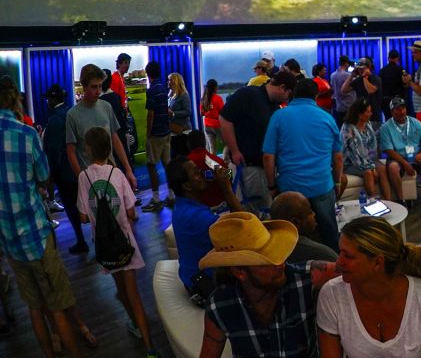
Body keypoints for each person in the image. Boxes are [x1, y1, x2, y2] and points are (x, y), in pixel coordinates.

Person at [197, 212, 421, 358]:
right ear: (239, 272)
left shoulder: (303, 278)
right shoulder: (221, 306)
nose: (280, 263)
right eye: (267, 261)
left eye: (278, 254)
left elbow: (382, 259)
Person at [0, 77, 83, 358]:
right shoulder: (25, 134)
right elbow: (44, 176)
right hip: (35, 233)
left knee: (34, 307)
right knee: (57, 305)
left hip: (9, 241)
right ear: (15, 99)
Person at [317, 216, 421, 358]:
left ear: (378, 262)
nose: (339, 261)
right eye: (340, 252)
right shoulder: (332, 295)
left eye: (348, 256)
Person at [76, 127, 157, 356]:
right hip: (125, 243)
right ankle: (150, 348)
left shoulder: (83, 177)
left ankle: (134, 325)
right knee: (133, 294)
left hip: (104, 245)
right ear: (109, 148)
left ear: (88, 149)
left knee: (121, 291)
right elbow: (131, 211)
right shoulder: (117, 173)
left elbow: (83, 217)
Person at [263, 78, 345, 250]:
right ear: (315, 96)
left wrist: (271, 186)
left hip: (290, 188)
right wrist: (337, 182)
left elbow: (268, 157)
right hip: (322, 185)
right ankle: (335, 262)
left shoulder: (279, 116)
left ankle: (295, 265)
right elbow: (337, 157)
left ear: (293, 94)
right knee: (329, 233)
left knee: (292, 238)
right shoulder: (327, 118)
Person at [165, 155, 243, 300]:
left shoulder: (182, 204)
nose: (202, 173)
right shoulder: (197, 217)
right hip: (205, 285)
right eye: (196, 173)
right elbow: (245, 228)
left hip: (192, 277)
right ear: (187, 186)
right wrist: (227, 190)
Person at [220, 71, 296, 212]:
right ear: (282, 88)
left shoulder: (274, 106)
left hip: (264, 169)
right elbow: (224, 119)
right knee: (249, 212)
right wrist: (234, 150)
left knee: (264, 211)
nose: (287, 100)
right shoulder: (248, 94)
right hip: (247, 168)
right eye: (289, 95)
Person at [66, 64, 137, 191]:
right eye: (94, 87)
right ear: (84, 86)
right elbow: (71, 152)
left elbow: (115, 140)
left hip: (111, 174)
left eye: (100, 86)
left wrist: (128, 169)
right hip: (90, 179)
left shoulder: (106, 107)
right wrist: (82, 179)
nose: (98, 91)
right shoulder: (72, 115)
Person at [41, 84, 89, 253]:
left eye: (48, 99)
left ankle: (81, 241)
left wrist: (51, 173)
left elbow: (53, 150)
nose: (47, 102)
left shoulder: (55, 119)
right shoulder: (71, 112)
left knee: (71, 206)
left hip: (65, 172)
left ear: (53, 99)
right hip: (78, 167)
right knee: (85, 204)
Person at [379, 97, 421, 207]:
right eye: (397, 109)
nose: (401, 111)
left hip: (417, 156)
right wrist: (405, 163)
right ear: (392, 112)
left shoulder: (415, 122)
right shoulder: (386, 127)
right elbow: (389, 150)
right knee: (393, 167)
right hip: (398, 158)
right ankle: (401, 199)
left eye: (403, 108)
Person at [271, 192, 338, 263]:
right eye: (310, 211)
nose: (314, 214)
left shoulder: (269, 245)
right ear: (295, 221)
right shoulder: (326, 255)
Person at [142, 61, 171, 211]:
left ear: (148, 74)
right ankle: (171, 196)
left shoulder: (152, 90)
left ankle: (156, 199)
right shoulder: (164, 88)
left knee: (151, 165)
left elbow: (150, 115)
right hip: (166, 132)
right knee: (167, 165)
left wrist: (148, 134)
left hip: (156, 134)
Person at [341, 98, 383, 199]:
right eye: (368, 112)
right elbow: (354, 156)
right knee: (368, 172)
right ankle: (373, 202)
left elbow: (372, 147)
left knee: (382, 169)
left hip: (366, 161)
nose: (371, 114)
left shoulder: (367, 124)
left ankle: (388, 201)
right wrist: (371, 167)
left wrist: (372, 163)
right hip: (349, 164)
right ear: (360, 115)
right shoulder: (347, 128)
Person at [342, 58, 383, 124]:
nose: (360, 70)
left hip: (373, 116)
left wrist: (365, 77)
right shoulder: (358, 80)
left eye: (362, 68)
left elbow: (370, 90)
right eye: (359, 68)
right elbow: (344, 90)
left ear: (368, 68)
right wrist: (351, 76)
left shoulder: (375, 79)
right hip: (360, 115)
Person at [168, 72, 192, 160]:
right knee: (174, 158)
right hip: (173, 131)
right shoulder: (170, 96)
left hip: (183, 132)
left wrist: (173, 113)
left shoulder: (184, 95)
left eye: (169, 80)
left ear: (175, 82)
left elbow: (188, 111)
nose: (168, 82)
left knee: (183, 158)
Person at [378, 50, 405, 121]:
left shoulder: (382, 71)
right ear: (398, 58)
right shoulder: (400, 70)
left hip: (385, 101)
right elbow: (405, 84)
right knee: (399, 121)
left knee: (388, 121)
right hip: (397, 101)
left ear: (388, 58)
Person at [330, 55, 355, 127]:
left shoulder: (332, 75)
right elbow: (355, 85)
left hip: (338, 106)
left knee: (340, 127)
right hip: (349, 105)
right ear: (346, 63)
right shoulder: (348, 76)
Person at [200, 79, 224, 152]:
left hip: (207, 125)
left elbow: (201, 113)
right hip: (217, 125)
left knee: (212, 148)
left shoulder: (203, 99)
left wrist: (208, 110)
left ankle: (212, 160)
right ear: (215, 87)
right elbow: (223, 112)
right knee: (227, 144)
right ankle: (226, 159)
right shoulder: (218, 98)